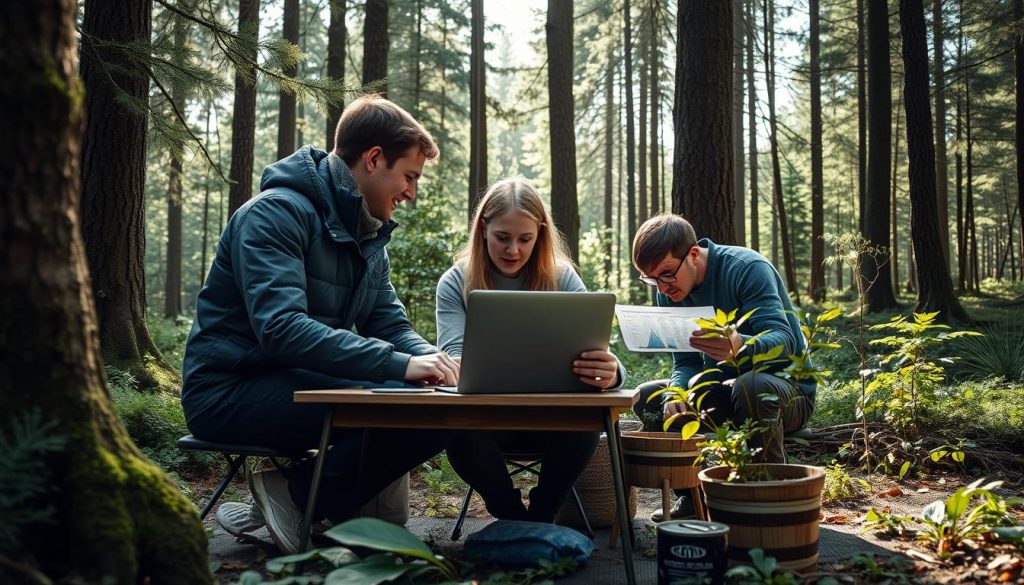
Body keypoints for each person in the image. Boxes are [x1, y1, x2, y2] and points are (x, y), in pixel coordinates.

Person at [181, 95, 460, 554]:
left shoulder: (368, 236)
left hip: (302, 385)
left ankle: (300, 497)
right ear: (374, 159)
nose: (411, 192)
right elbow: (283, 328)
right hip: (228, 391)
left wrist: (433, 361)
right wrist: (397, 364)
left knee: (436, 407)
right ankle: (296, 497)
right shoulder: (273, 214)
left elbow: (389, 323)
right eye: (409, 176)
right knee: (416, 409)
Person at [434, 178, 625, 523]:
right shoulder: (455, 282)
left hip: (552, 421)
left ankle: (542, 516)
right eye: (502, 238)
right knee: (453, 422)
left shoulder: (562, 278)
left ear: (540, 235)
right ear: (482, 230)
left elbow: (598, 352)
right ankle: (511, 518)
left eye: (525, 239)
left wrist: (613, 372)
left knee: (587, 416)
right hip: (484, 423)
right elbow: (453, 359)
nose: (513, 251)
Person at [630, 213, 814, 520]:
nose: (661, 289)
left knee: (750, 385)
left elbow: (785, 340)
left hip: (785, 392)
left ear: (692, 255)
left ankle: (765, 499)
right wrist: (676, 392)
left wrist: (741, 344)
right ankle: (692, 500)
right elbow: (686, 362)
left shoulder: (746, 269)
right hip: (724, 393)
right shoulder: (671, 293)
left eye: (665, 275)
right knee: (650, 397)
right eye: (651, 279)